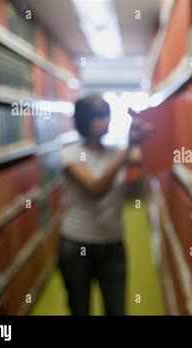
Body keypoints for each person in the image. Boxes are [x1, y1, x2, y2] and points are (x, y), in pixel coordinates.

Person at [58, 94, 151, 315]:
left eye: (107, 115)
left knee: (116, 308)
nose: (105, 121)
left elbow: (151, 161)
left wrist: (141, 126)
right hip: (77, 244)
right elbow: (95, 189)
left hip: (113, 244)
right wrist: (128, 149)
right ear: (83, 121)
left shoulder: (118, 152)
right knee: (80, 308)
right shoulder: (69, 154)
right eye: (98, 117)